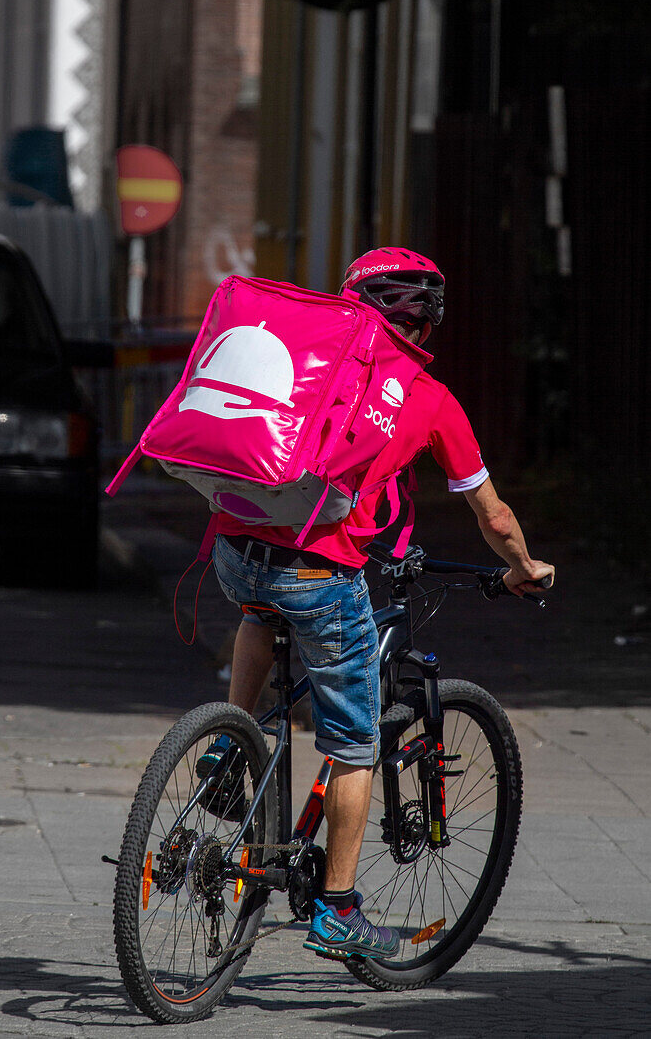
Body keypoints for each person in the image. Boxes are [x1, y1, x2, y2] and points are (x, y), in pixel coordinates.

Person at [203, 246, 555, 961]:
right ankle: (336, 910)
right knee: (354, 743)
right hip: (320, 572)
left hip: (235, 552)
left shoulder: (309, 355)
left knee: (259, 609)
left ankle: (227, 745)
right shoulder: (428, 396)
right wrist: (522, 566)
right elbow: (490, 514)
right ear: (426, 322)